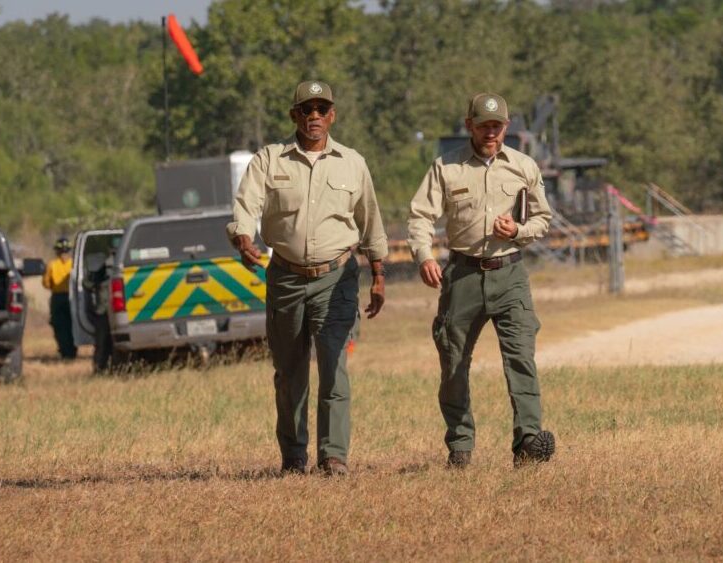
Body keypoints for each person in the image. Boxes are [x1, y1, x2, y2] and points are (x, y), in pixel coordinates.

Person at [227, 80, 388, 476]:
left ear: (332, 115)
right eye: (306, 109)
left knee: (334, 366)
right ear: (293, 115)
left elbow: (370, 221)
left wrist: (378, 275)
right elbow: (246, 204)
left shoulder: (353, 163)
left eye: (321, 109)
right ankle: (294, 457)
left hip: (337, 279)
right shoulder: (270, 160)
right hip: (285, 277)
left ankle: (333, 457)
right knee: (290, 373)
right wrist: (243, 237)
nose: (314, 116)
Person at [407, 92, 556, 468]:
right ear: (469, 125)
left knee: (520, 357)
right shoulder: (446, 168)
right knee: (453, 361)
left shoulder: (523, 166)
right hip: (463, 276)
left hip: (510, 275)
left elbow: (543, 218)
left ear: (506, 127)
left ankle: (528, 442)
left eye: (497, 126)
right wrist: (425, 256)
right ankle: (460, 447)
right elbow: (420, 216)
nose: (491, 132)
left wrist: (518, 230)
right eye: (483, 125)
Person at [43, 237, 77, 360]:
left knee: (59, 325)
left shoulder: (51, 265)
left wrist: (55, 286)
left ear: (57, 251)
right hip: (72, 298)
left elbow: (46, 283)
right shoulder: (74, 264)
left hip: (57, 298)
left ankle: (65, 350)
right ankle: (72, 349)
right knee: (72, 324)